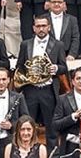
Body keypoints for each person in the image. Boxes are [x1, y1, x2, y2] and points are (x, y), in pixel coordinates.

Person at [14, 10, 63, 148]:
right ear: (34, 28)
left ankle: (52, 156)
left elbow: (64, 67)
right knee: (27, 123)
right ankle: (27, 150)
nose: (41, 29)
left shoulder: (58, 45)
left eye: (44, 26)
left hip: (48, 90)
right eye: (38, 26)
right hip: (31, 90)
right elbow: (20, 66)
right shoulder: (25, 44)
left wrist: (56, 68)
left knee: (51, 126)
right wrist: (25, 77)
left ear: (49, 27)